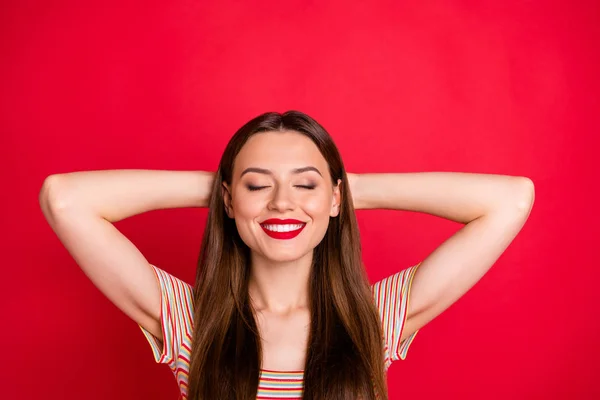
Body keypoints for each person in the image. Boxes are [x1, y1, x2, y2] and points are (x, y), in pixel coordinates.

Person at [39, 110, 535, 400]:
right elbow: (64, 199)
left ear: (336, 199)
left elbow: (510, 200)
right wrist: (224, 189)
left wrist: (345, 187)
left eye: (304, 184)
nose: (282, 202)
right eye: (259, 185)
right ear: (231, 200)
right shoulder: (189, 321)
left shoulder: (373, 319)